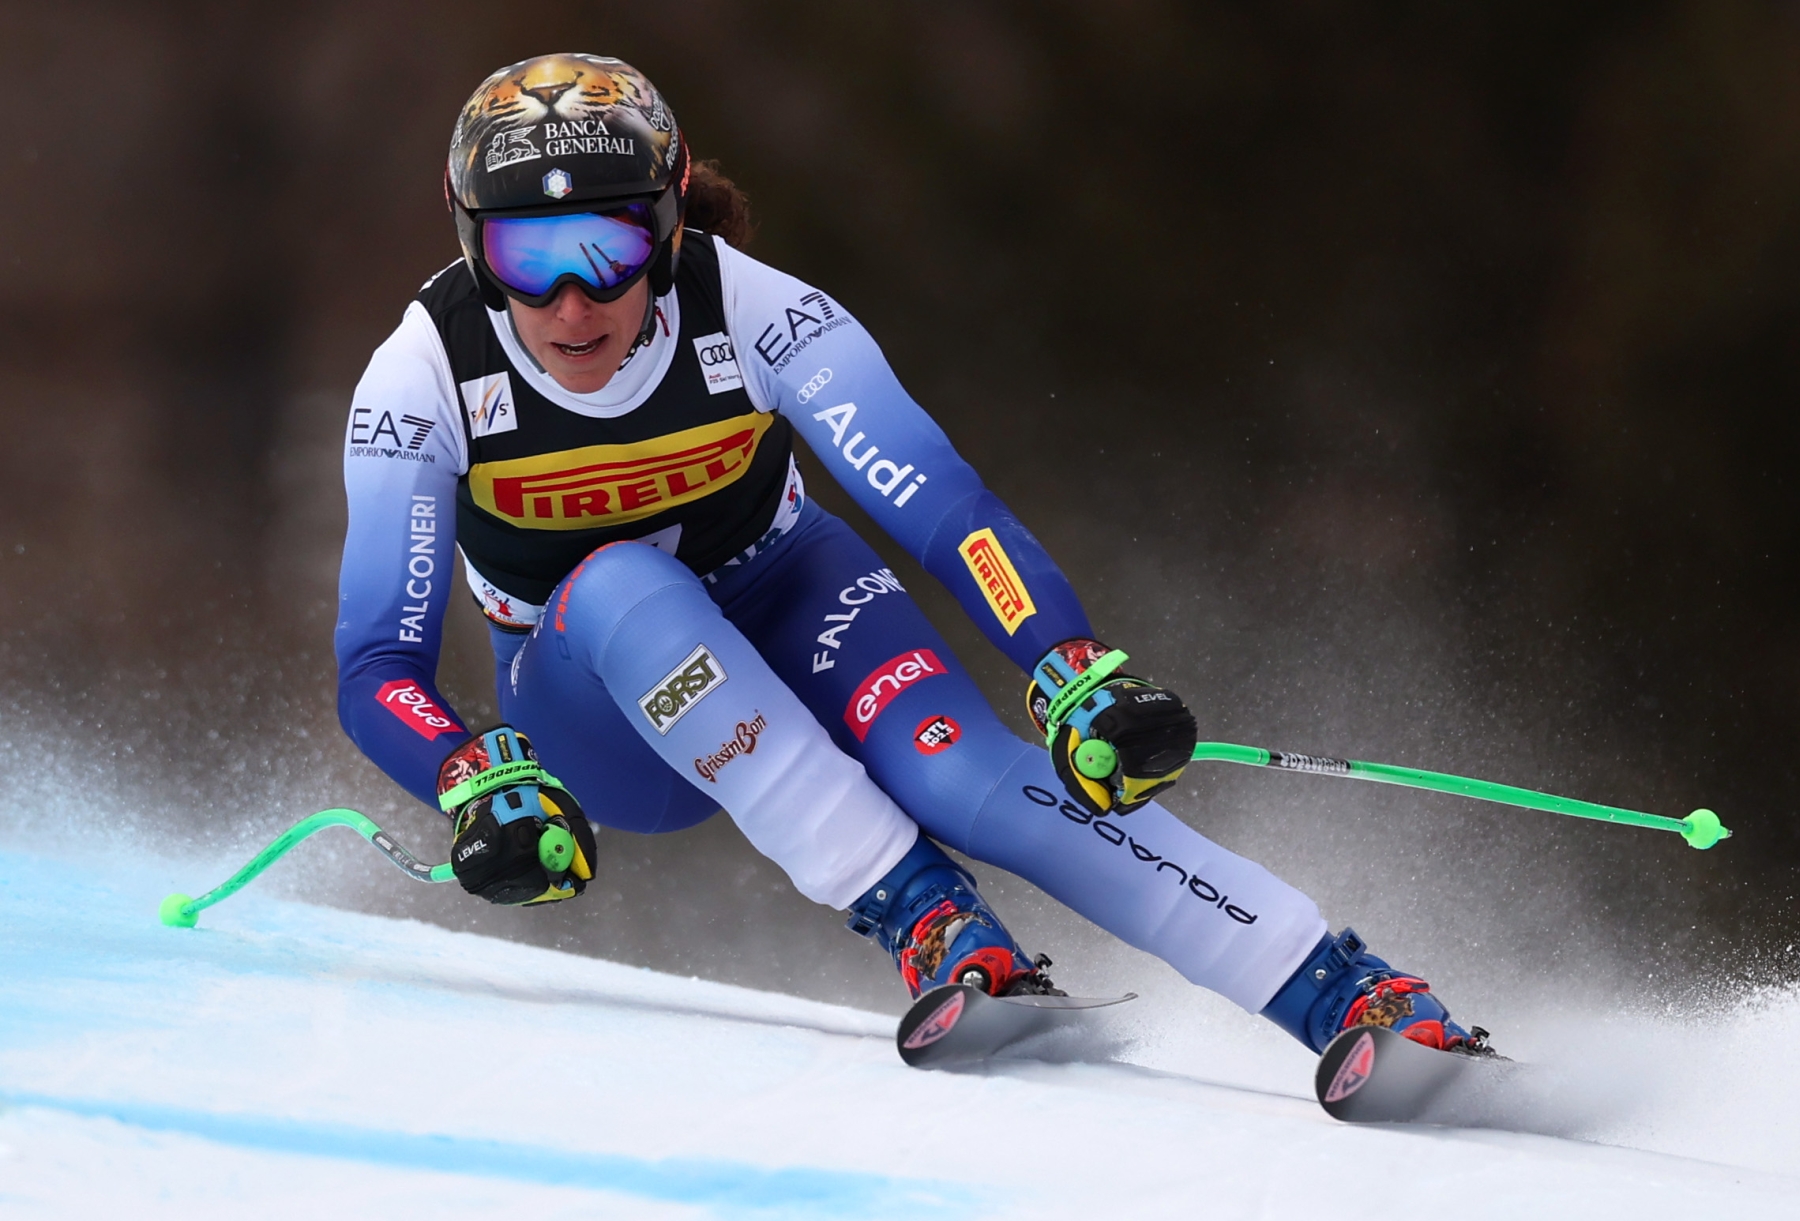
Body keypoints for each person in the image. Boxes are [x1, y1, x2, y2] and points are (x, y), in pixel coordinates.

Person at [336, 52, 1490, 1058]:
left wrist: (1067, 661)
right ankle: (928, 915)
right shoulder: (424, 373)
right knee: (626, 581)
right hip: (599, 704)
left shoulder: (760, 311)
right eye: (528, 256)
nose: (575, 300)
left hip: (791, 591)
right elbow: (378, 660)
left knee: (964, 773)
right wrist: (472, 775)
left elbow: (936, 502)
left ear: (671, 219)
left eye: (610, 243)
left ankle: (1344, 990)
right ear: (472, 247)